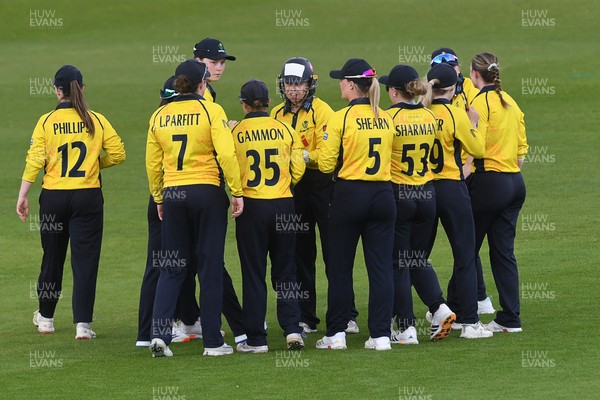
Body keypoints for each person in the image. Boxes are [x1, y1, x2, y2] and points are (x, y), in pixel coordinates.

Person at [17, 65, 126, 340]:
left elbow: (35, 160)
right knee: (85, 261)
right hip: (87, 197)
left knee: (52, 258)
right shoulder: (96, 119)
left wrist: (23, 194)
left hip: (54, 197)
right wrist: (94, 164)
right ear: (82, 88)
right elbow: (118, 153)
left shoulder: (46, 121)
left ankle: (46, 318)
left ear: (56, 90)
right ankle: (83, 325)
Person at [146, 59, 243, 357]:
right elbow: (226, 154)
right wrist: (236, 191)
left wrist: (159, 196)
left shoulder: (159, 115)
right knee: (210, 267)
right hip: (206, 191)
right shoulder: (211, 110)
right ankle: (213, 342)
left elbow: (152, 162)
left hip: (174, 193)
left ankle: (159, 335)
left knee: (172, 267)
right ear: (202, 83)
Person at [271, 57, 357, 335]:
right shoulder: (275, 115)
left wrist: (306, 157)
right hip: (293, 190)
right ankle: (306, 316)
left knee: (335, 253)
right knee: (300, 254)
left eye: (299, 84)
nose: (294, 89)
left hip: (322, 185)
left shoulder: (324, 112)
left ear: (310, 84)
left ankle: (346, 315)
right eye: (289, 84)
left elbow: (328, 154)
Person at [316, 58, 396, 351]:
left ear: (351, 85)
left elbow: (326, 165)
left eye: (341, 80)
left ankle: (337, 333)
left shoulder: (340, 118)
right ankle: (381, 335)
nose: (339, 84)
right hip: (383, 196)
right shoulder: (386, 117)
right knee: (381, 268)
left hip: (349, 195)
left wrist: (307, 157)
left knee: (339, 266)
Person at [380, 64, 455, 344]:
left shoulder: (389, 118)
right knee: (416, 258)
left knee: (399, 263)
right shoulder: (428, 115)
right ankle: (440, 308)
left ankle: (407, 327)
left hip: (401, 194)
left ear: (394, 91)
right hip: (427, 193)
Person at [231, 79, 306, 352]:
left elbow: (228, 166)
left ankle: (257, 339)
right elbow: (298, 168)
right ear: (269, 102)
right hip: (284, 204)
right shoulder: (285, 129)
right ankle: (293, 329)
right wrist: (287, 185)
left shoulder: (236, 132)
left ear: (243, 104)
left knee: (253, 273)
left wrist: (236, 190)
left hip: (251, 206)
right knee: (286, 271)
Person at [421, 63, 492, 339]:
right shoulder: (455, 113)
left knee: (416, 256)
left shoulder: (422, 113)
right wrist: (474, 124)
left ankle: (403, 320)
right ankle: (469, 322)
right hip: (451, 187)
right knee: (464, 254)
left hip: (423, 188)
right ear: (454, 88)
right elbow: (477, 149)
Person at [468, 52, 528, 333]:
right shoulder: (510, 102)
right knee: (503, 252)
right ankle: (510, 318)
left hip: (490, 182)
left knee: (466, 247)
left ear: (475, 75)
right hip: (515, 183)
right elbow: (521, 152)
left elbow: (475, 145)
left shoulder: (479, 102)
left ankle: (463, 314)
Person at [193, 37, 236, 103]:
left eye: (222, 62)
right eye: (213, 62)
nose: (219, 68)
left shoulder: (186, 84)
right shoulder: (197, 92)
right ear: (198, 61)